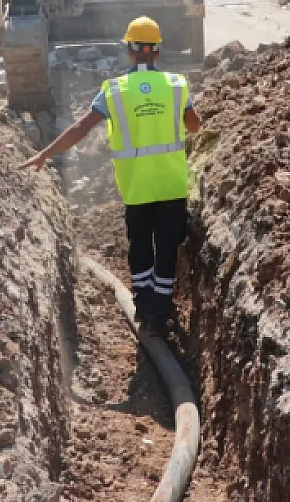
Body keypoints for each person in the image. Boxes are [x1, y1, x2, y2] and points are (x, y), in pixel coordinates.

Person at [21, 16, 201, 332]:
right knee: (168, 248)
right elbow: (194, 125)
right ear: (157, 51)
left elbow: (81, 128)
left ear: (129, 51)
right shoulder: (176, 86)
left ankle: (143, 306)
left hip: (137, 188)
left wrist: (44, 154)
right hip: (172, 185)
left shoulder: (114, 91)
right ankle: (160, 308)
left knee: (141, 245)